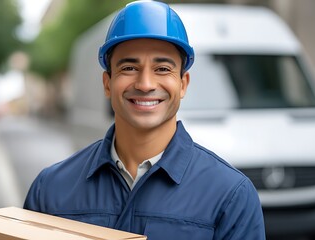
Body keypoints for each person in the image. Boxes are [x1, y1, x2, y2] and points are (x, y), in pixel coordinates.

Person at [24, 1, 266, 239]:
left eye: (162, 69)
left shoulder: (231, 196)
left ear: (183, 84)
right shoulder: (50, 189)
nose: (146, 84)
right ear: (107, 83)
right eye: (129, 67)